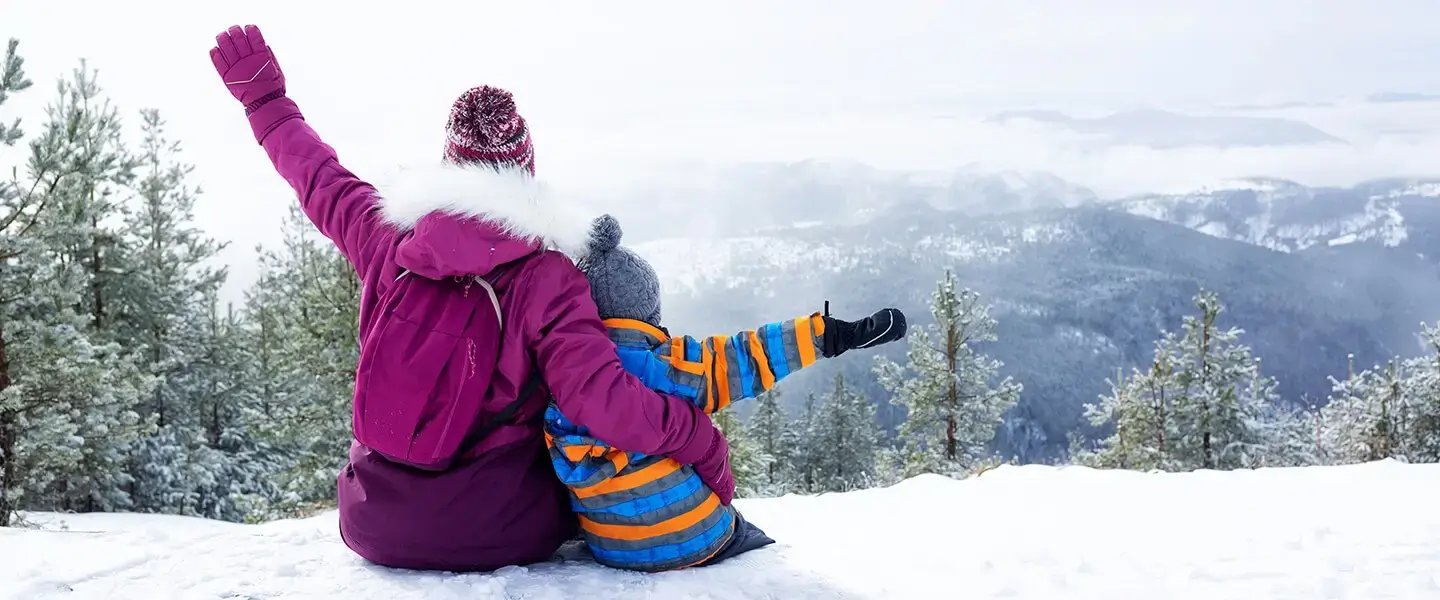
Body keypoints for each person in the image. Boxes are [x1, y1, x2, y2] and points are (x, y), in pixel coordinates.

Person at [207, 24, 736, 572]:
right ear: (525, 172)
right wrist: (702, 441)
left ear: (449, 166)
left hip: (371, 523)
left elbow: (320, 180)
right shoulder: (547, 279)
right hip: (501, 532)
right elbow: (603, 404)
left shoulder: (388, 240)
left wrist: (265, 101)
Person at [547, 214, 908, 572]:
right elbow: (747, 356)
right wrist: (829, 334)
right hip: (698, 538)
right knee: (743, 532)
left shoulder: (559, 377)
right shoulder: (668, 363)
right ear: (648, 313)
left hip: (611, 548)